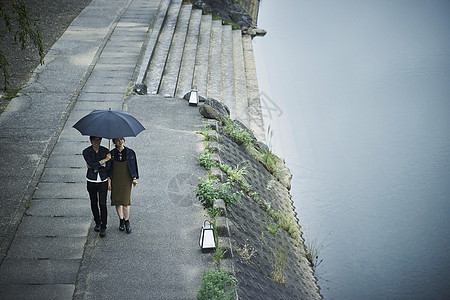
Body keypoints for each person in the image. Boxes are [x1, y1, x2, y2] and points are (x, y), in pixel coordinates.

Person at [108, 137, 139, 233]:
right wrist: (109, 182)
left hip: (126, 178)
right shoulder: (111, 154)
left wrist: (134, 178)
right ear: (114, 142)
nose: (120, 141)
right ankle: (121, 220)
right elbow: (109, 169)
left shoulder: (130, 152)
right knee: (117, 200)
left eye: (122, 139)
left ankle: (127, 221)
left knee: (125, 201)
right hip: (115, 179)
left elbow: (134, 166)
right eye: (117, 140)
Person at [83, 136, 111, 237]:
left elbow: (108, 166)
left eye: (98, 140)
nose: (96, 142)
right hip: (91, 180)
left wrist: (97, 164)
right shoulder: (86, 151)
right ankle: (97, 222)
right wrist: (104, 160)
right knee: (93, 202)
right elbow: (91, 164)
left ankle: (104, 226)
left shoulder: (105, 150)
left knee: (103, 204)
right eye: (94, 140)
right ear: (91, 141)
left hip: (103, 180)